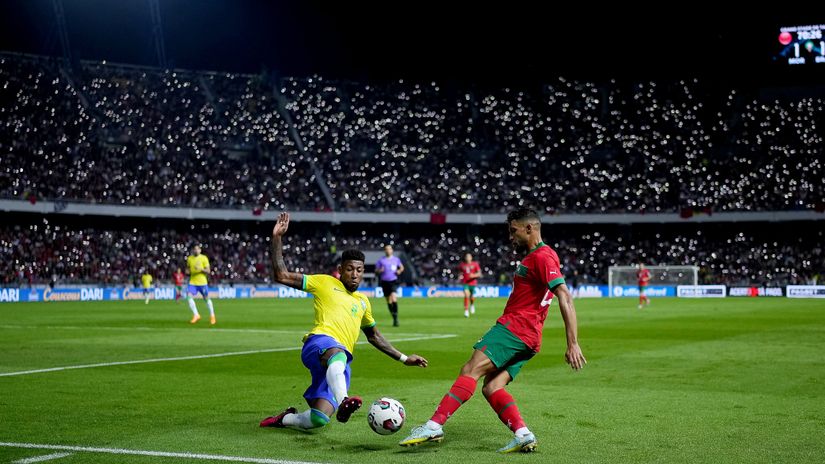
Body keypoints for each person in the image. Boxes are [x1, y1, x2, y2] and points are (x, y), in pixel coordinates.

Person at [399, 208, 586, 453]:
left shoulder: (542, 256)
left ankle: (434, 425)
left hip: (516, 329)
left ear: (529, 228)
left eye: (513, 231)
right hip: (529, 337)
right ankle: (523, 434)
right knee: (492, 387)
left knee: (470, 369)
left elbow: (564, 295)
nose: (510, 237)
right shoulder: (535, 257)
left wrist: (572, 342)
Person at [260, 212, 428, 430]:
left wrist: (404, 358)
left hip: (338, 364)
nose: (355, 274)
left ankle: (285, 419)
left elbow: (374, 336)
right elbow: (281, 275)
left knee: (319, 419)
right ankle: (344, 401)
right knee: (337, 354)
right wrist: (276, 238)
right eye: (349, 269)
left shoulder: (363, 302)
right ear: (340, 270)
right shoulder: (324, 282)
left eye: (359, 270)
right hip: (319, 344)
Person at [186, 245, 216, 325]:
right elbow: (187, 269)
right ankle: (196, 315)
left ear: (200, 250)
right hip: (193, 283)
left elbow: (208, 271)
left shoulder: (204, 258)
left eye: (197, 249)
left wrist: (200, 269)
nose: (196, 250)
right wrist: (188, 272)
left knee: (206, 299)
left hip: (202, 283)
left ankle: (212, 316)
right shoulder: (189, 259)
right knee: (189, 297)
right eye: (194, 249)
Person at [375, 245, 404, 326]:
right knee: (388, 301)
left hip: (393, 281)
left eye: (389, 249)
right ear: (385, 251)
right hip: (384, 282)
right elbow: (376, 271)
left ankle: (396, 318)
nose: (388, 250)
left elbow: (402, 267)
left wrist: (399, 271)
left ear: (392, 250)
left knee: (394, 297)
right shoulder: (381, 260)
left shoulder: (396, 259)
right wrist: (379, 270)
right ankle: (394, 317)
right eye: (386, 249)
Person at [458, 253, 482, 318]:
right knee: (466, 295)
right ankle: (466, 311)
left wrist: (474, 275)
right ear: (465, 258)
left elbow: (479, 273)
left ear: (471, 258)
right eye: (467, 257)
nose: (468, 258)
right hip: (465, 283)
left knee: (471, 297)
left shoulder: (475, 264)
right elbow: (460, 273)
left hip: (473, 283)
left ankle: (472, 305)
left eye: (469, 257)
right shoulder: (462, 265)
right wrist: (460, 277)